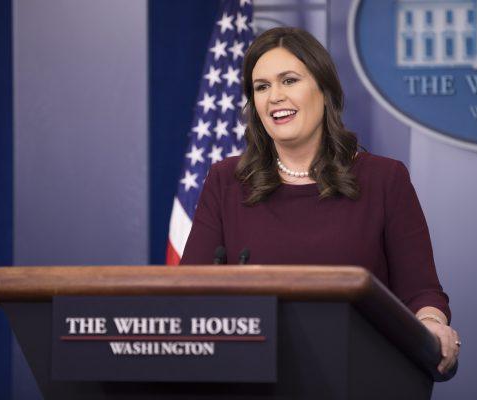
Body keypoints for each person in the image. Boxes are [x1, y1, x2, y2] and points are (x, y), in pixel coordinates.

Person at [180, 27, 460, 374]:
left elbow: (421, 292)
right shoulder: (226, 180)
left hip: (358, 374)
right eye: (262, 87)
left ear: (324, 89)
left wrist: (432, 323)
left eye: (289, 80)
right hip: (250, 375)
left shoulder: (385, 179)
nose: (274, 97)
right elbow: (189, 292)